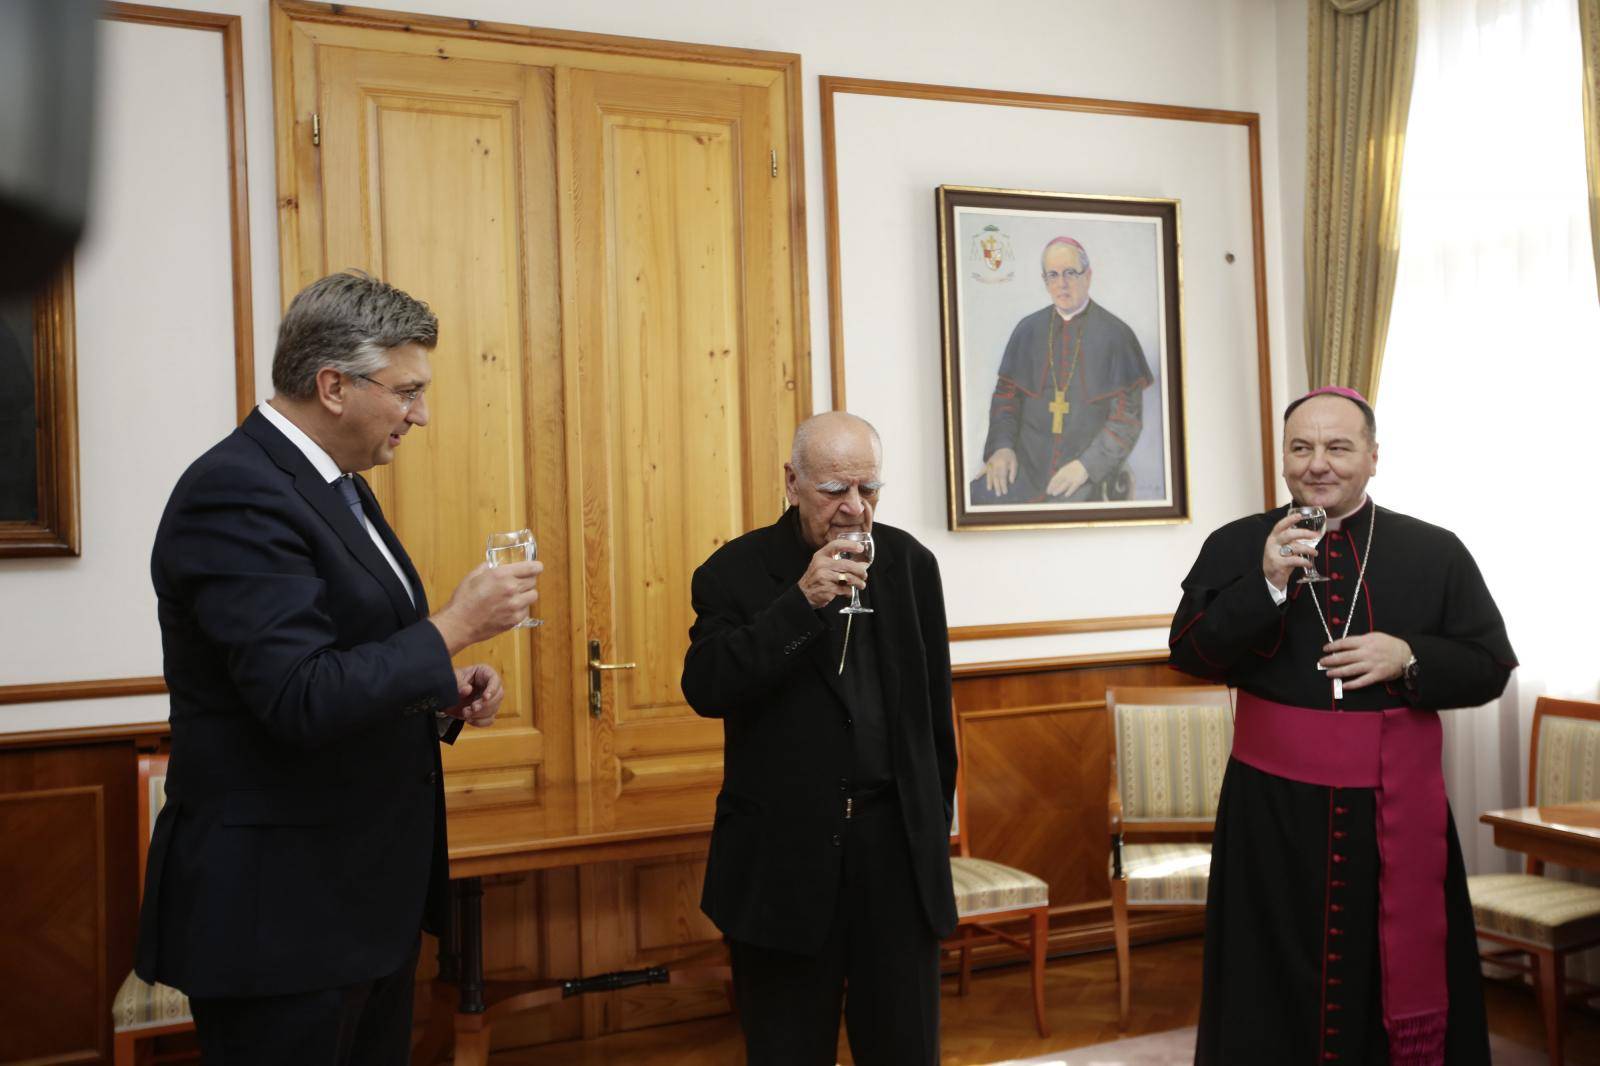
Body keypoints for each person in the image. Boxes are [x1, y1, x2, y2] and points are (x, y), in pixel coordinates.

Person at [135, 272, 542, 1065]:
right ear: (332, 385)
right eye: (407, 391)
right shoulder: (237, 492)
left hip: (355, 902)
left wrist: (438, 691)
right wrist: (454, 628)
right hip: (281, 917)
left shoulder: (338, 486)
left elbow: (344, 655)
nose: (420, 414)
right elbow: (298, 697)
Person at [1169, 386, 1517, 1066]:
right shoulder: (1240, 543)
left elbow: (1489, 665)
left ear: (1373, 457)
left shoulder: (1435, 551)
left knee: (1385, 973)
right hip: (1269, 815)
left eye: (1338, 447)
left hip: (1390, 812)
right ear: (1283, 459)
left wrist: (1410, 656)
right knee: (1266, 982)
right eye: (1301, 448)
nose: (1318, 464)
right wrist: (1266, 584)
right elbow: (1190, 652)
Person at [681, 411, 957, 1065]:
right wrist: (799, 603)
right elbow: (707, 687)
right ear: (793, 483)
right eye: (836, 490)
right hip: (783, 862)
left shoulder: (911, 565)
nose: (854, 509)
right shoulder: (734, 572)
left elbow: (932, 718)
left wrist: (929, 826)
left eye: (868, 489)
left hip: (894, 857)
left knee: (904, 1049)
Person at [970, 236, 1152, 505]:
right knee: (976, 498)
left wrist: (1086, 466)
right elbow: (1006, 398)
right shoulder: (1028, 330)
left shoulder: (1117, 335)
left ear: (1087, 276)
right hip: (1024, 469)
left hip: (1085, 476)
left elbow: (1126, 420)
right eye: (1053, 275)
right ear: (1045, 281)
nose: (1061, 283)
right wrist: (1001, 447)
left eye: (1070, 273)